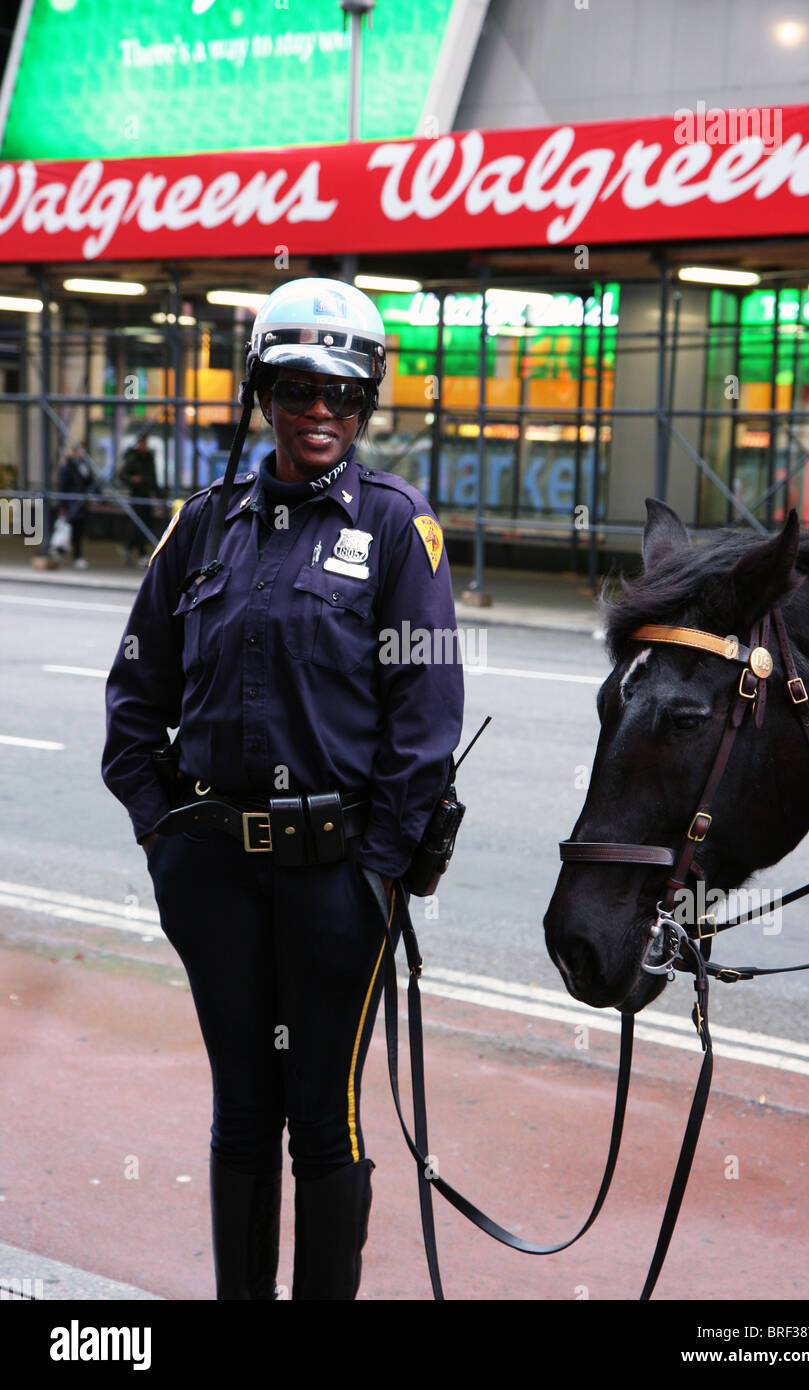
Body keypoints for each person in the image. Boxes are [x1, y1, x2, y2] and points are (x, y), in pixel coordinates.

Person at [101, 278, 465, 1300]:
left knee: (324, 1115)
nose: (322, 415)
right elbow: (136, 693)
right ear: (263, 391)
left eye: (344, 398)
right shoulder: (203, 526)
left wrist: (376, 874)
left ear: (364, 407)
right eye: (301, 390)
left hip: (335, 882)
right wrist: (161, 836)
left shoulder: (398, 528)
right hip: (213, 873)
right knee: (241, 1109)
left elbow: (425, 720)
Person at [119, 433, 160, 566]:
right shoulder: (132, 458)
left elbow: (154, 479)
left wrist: (158, 498)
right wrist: (133, 480)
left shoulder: (149, 458)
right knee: (138, 524)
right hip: (136, 496)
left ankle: (128, 547)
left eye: (145, 443)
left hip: (146, 495)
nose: (143, 446)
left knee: (146, 523)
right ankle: (141, 553)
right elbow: (122, 475)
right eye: (141, 443)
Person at [56, 443, 94, 568]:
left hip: (80, 503)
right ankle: (60, 550)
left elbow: (90, 482)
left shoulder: (84, 466)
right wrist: (62, 506)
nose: (83, 454)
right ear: (75, 451)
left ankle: (74, 555)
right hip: (70, 503)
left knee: (77, 531)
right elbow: (62, 486)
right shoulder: (67, 465)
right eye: (81, 451)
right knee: (67, 529)